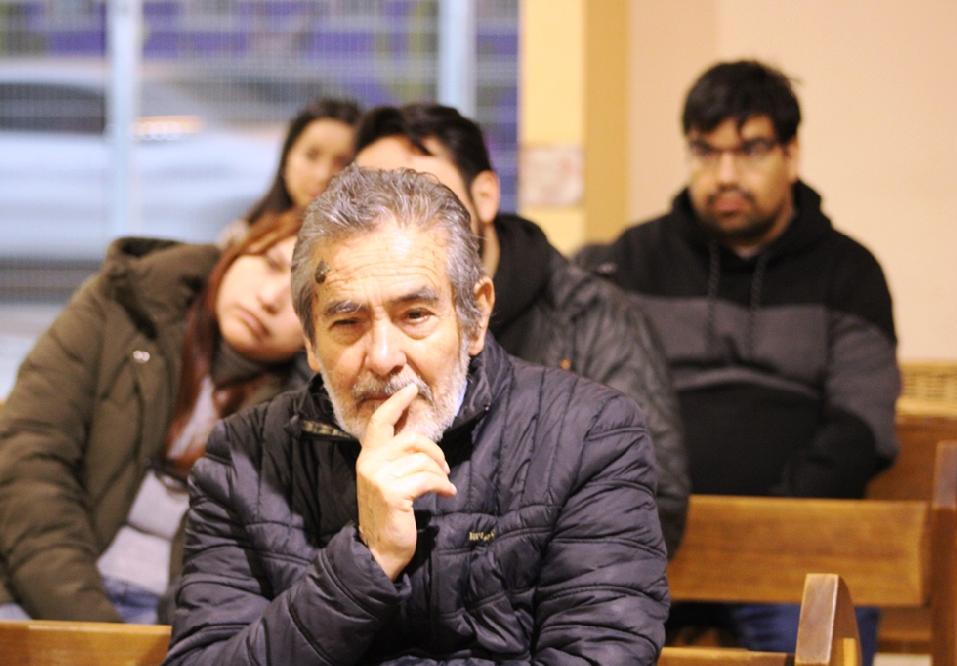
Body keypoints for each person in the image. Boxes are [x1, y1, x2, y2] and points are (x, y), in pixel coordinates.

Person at [164, 166, 669, 664]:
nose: (383, 357)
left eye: (415, 315)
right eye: (348, 321)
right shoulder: (246, 457)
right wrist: (367, 559)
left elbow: (600, 651)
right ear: (311, 340)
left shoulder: (589, 435)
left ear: (475, 316)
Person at [576, 60, 900, 665]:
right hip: (644, 539)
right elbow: (589, 400)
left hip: (791, 550)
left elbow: (862, 427)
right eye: (706, 151)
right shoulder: (630, 260)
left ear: (791, 154)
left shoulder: (849, 272)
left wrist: (758, 528)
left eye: (750, 151)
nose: (725, 176)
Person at [353, 103, 689, 555]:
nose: (392, 223)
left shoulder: (590, 315)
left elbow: (651, 494)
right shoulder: (345, 325)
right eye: (368, 203)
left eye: (419, 193)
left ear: (485, 196)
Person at [0, 210, 308, 624]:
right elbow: (30, 459)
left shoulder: (302, 409)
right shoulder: (123, 301)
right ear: (240, 249)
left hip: (180, 625)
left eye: (300, 300)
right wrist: (94, 631)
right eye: (269, 263)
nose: (269, 298)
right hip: (36, 590)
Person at [218, 97, 361, 246]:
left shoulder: (359, 250)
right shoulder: (241, 235)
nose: (323, 175)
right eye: (311, 156)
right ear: (287, 157)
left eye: (343, 163)